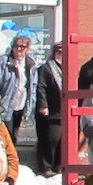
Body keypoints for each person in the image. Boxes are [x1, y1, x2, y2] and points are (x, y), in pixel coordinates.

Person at [0, 35, 41, 144]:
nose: (19, 49)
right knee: (4, 136)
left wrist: (29, 107)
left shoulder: (30, 64)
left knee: (14, 135)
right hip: (4, 105)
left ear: (27, 49)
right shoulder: (2, 61)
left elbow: (32, 87)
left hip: (21, 104)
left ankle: (11, 159)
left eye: (22, 47)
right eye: (16, 46)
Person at [36, 43, 64, 176]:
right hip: (51, 110)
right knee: (50, 139)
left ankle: (59, 165)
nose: (61, 53)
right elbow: (41, 87)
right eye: (59, 50)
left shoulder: (67, 68)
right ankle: (46, 167)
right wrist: (43, 105)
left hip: (63, 110)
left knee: (62, 140)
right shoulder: (46, 68)